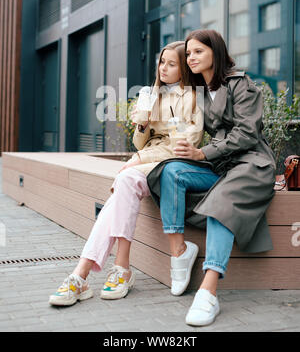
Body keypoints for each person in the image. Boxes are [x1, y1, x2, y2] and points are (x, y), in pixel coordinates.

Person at [49, 41, 204, 306]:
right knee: (123, 185)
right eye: (161, 62)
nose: (163, 68)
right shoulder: (152, 93)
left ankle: (88, 274)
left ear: (184, 69)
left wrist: (140, 159)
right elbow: (139, 144)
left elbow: (183, 145)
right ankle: (100, 271)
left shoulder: (193, 98)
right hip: (145, 162)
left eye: (171, 63)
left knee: (124, 180)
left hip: (170, 164)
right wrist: (142, 124)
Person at [147, 29, 276, 327]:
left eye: (198, 52)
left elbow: (246, 134)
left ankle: (208, 291)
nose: (190, 57)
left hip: (251, 165)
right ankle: (179, 254)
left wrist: (203, 154)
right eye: (189, 53)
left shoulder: (241, 85)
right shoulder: (200, 91)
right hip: (221, 167)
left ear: (215, 53)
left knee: (222, 199)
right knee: (171, 171)